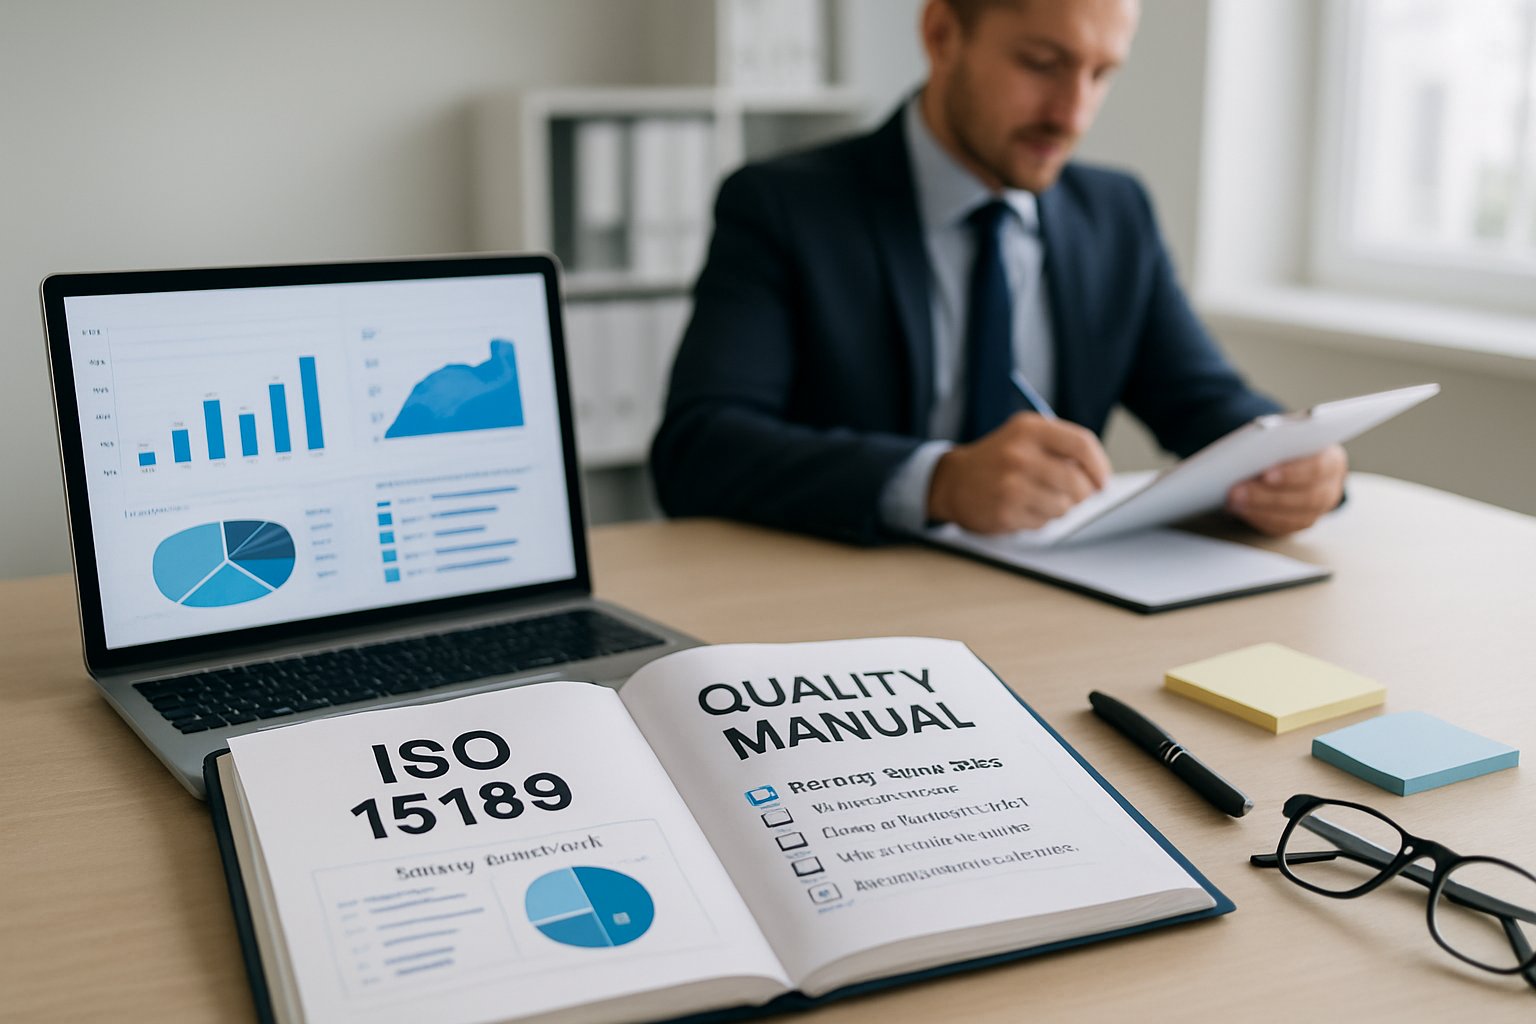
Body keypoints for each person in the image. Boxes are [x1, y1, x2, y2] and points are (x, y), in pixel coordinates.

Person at [650, 0, 1347, 546]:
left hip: (1050, 605)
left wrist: (1298, 460)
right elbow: (698, 449)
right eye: (1043, 63)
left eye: (1102, 73)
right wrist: (938, 484)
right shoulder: (784, 206)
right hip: (845, 605)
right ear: (942, 33)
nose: (1073, 113)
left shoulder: (1115, 212)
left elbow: (1201, 400)